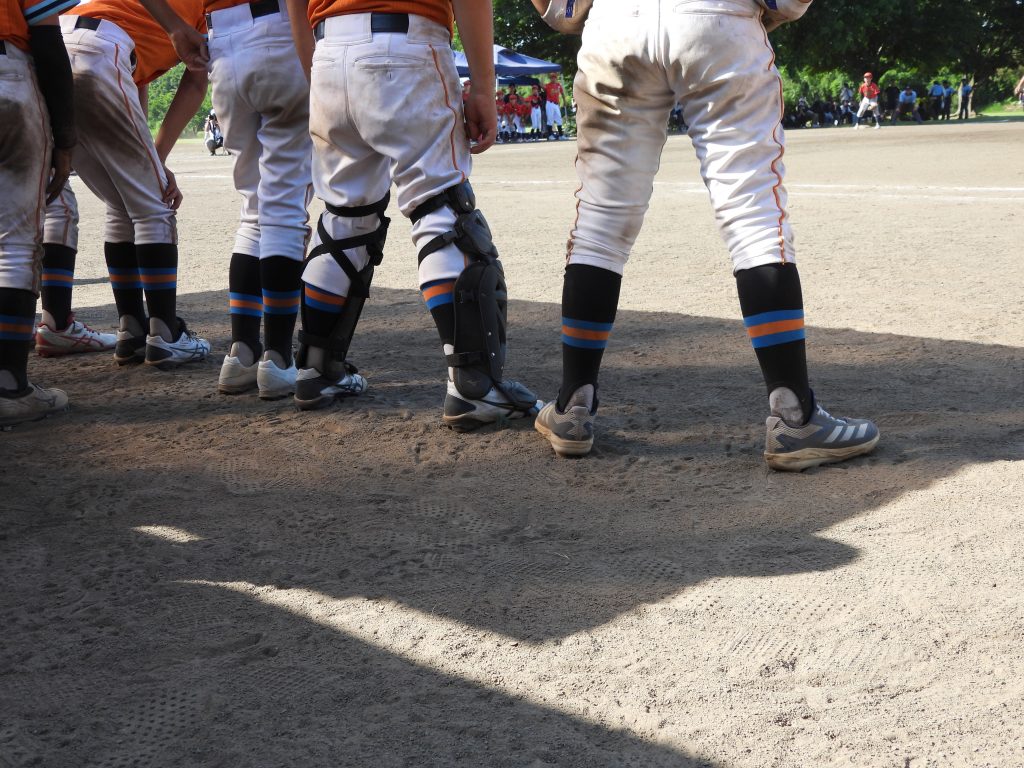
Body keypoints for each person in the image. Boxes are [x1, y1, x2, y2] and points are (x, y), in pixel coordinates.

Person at [530, 0, 879, 471]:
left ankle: (574, 405)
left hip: (615, 22)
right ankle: (794, 416)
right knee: (753, 218)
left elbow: (559, 8)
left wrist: (575, 13)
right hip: (716, 19)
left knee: (599, 224)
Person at [285, 0, 541, 427]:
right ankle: (474, 386)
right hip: (405, 45)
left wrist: (319, 71)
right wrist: (482, 87)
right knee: (442, 209)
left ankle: (316, 369)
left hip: (327, 52)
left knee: (345, 221)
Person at [42, 0, 211, 369]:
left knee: (122, 202)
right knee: (155, 207)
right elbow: (197, 81)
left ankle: (132, 329)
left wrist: (152, 162)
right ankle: (165, 335)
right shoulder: (206, 7)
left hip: (56, 50)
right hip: (103, 51)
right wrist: (156, 167)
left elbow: (135, 83)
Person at [207, 0, 314, 401]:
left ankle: (242, 353)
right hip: (280, 31)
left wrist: (175, 29)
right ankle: (278, 360)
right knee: (284, 205)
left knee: (254, 208)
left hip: (221, 40)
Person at [1, 0, 77, 426]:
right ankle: (9, 386)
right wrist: (65, 137)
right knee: (14, 247)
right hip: (7, 75)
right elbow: (47, 40)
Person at [544, 72, 565, 139]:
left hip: (556, 104)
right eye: (551, 77)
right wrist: (542, 75)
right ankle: (550, 135)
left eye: (554, 77)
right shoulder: (548, 85)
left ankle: (561, 135)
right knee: (550, 119)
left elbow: (562, 93)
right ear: (550, 78)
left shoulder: (558, 85)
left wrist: (564, 101)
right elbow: (541, 85)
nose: (553, 78)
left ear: (556, 78)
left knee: (559, 119)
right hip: (550, 103)